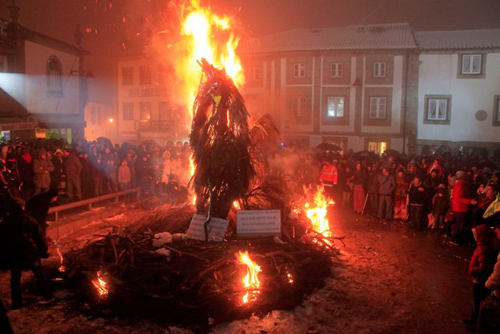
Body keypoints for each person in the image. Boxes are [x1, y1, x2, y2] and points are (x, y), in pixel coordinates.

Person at [0, 199, 53, 309]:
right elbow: (38, 237)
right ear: (22, 207)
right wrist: (43, 251)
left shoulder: (6, 222)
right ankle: (47, 296)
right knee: (39, 274)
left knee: (15, 278)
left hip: (14, 254)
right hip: (30, 252)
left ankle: (17, 303)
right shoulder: (29, 219)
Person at [464, 224, 497, 331]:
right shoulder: (482, 246)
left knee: (478, 302)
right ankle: (474, 318)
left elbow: (483, 267)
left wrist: (473, 269)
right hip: (478, 279)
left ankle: (476, 322)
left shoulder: (484, 248)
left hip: (479, 280)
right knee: (476, 301)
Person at [451, 170, 477, 244]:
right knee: (460, 225)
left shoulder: (461, 185)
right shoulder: (460, 185)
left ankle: (457, 239)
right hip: (460, 208)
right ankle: (456, 240)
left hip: (460, 208)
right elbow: (458, 197)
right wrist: (470, 201)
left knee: (460, 225)